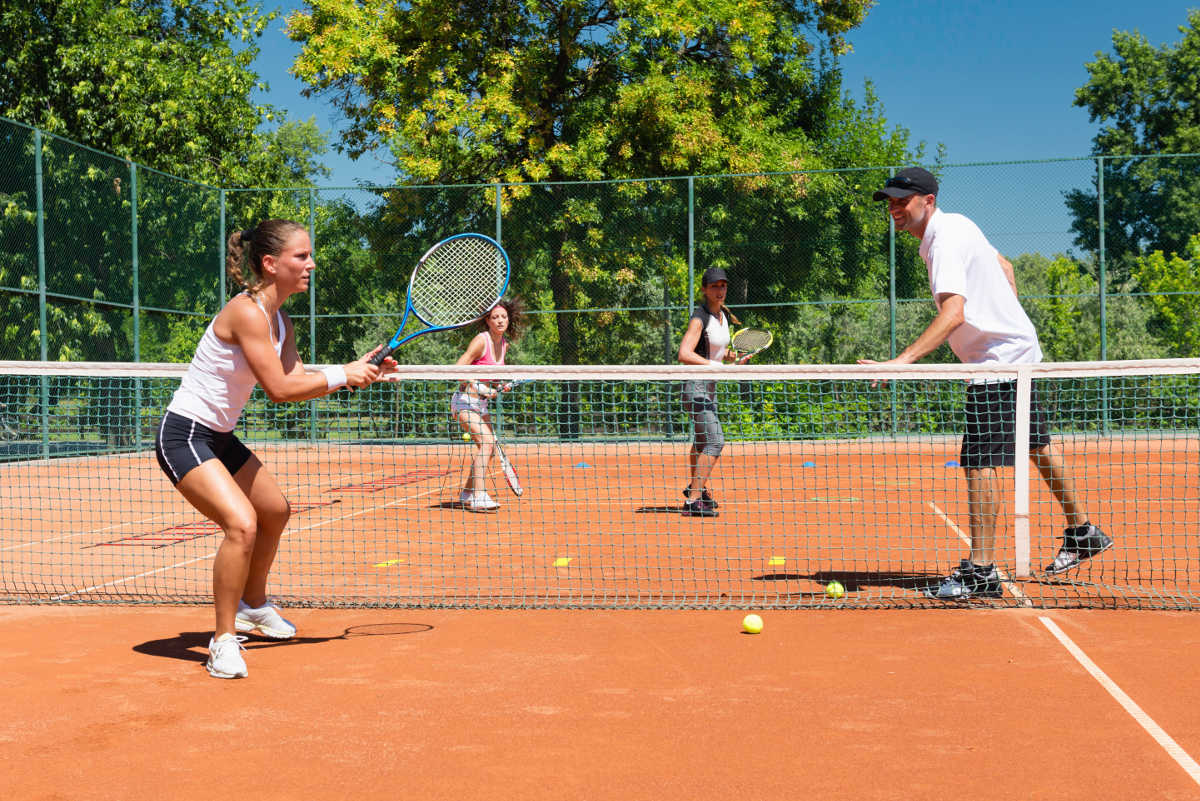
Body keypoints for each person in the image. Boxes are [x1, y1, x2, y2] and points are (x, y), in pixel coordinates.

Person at [155, 219, 396, 678]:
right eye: (301, 256)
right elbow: (280, 391)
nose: (311, 264)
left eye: (309, 255)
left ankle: (253, 604)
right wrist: (343, 375)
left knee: (275, 510)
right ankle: (223, 640)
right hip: (184, 434)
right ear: (270, 263)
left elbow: (299, 375)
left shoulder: (280, 318)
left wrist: (359, 370)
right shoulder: (247, 311)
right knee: (241, 524)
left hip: (219, 437)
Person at [862, 167, 1113, 600]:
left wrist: (903, 360)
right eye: (891, 201)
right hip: (1018, 354)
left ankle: (981, 571)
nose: (894, 208)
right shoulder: (959, 225)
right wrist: (1007, 319)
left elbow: (954, 312)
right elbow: (1005, 266)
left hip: (997, 363)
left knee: (979, 460)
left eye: (902, 200)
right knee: (1036, 443)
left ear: (928, 201)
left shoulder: (942, 241)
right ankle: (1083, 532)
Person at [676, 267, 753, 517]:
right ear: (704, 289)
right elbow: (685, 353)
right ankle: (693, 501)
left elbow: (715, 353)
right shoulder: (700, 317)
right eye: (714, 286)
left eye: (723, 286)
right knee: (715, 441)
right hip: (695, 387)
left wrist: (733, 358)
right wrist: (715, 365)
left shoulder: (723, 317)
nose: (719, 290)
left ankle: (698, 489)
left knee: (701, 442)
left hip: (709, 388)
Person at [452, 297, 525, 512]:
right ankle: (479, 496)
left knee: (489, 449)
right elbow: (457, 370)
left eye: (504, 316)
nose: (500, 320)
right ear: (487, 321)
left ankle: (466, 493)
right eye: (495, 317)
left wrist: (500, 386)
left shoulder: (504, 345)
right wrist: (480, 388)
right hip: (464, 401)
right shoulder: (480, 341)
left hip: (480, 406)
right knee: (487, 443)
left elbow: (492, 378)